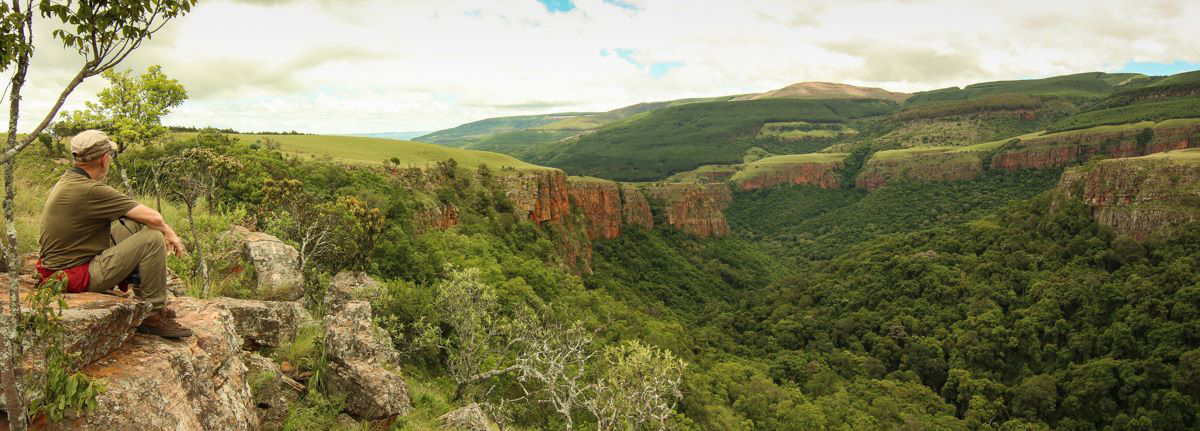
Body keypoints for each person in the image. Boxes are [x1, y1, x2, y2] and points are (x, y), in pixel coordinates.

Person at [36, 130, 193, 338]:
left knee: (133, 223)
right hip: (73, 276)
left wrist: (163, 228)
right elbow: (154, 219)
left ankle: (143, 295)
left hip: (63, 268)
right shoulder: (91, 190)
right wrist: (170, 233)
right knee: (153, 238)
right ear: (104, 159)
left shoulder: (69, 180)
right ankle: (152, 315)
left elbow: (141, 217)